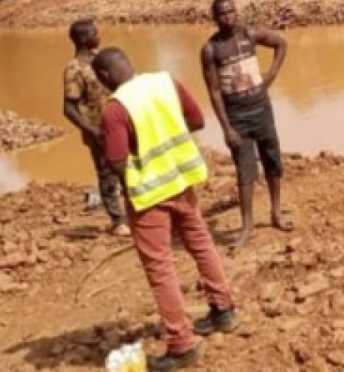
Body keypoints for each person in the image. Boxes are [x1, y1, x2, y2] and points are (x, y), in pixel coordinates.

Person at [94, 47, 237, 372]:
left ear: (103, 77)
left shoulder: (115, 110)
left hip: (149, 196)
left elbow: (115, 160)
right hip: (182, 180)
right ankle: (224, 310)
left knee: (160, 268)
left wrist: (135, 179)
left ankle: (182, 343)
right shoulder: (165, 82)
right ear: (130, 64)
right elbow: (197, 120)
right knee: (201, 244)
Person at [200, 0, 290, 251]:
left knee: (273, 161)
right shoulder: (211, 50)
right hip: (237, 116)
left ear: (236, 13)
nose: (228, 16)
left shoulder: (249, 35)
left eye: (231, 11)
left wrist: (271, 75)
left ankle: (275, 213)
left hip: (262, 109)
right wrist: (226, 128)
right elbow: (214, 91)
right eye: (222, 14)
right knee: (245, 172)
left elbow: (281, 44)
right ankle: (247, 226)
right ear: (215, 18)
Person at [61, 18, 126, 235]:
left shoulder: (102, 59)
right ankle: (118, 221)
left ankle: (137, 211)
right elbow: (68, 108)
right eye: (94, 33)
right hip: (98, 130)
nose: (99, 35)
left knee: (130, 168)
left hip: (120, 123)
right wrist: (92, 130)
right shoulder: (74, 69)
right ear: (82, 39)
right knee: (107, 175)